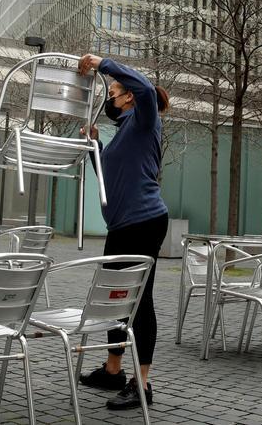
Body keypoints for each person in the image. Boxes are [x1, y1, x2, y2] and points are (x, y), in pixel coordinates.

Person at [76, 52, 170, 410]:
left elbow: (145, 86)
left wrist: (101, 63)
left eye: (114, 91)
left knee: (139, 302)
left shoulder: (145, 120)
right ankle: (113, 370)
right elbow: (109, 179)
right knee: (114, 298)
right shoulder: (124, 133)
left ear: (128, 96)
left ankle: (142, 384)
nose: (111, 97)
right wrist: (95, 145)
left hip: (144, 223)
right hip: (121, 226)